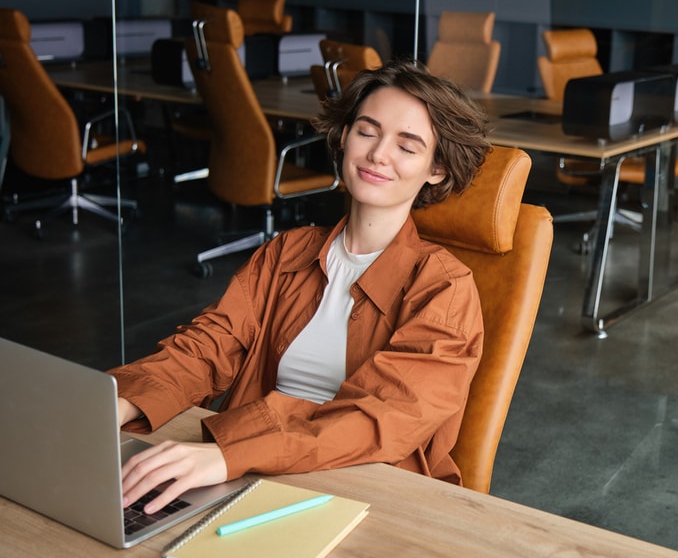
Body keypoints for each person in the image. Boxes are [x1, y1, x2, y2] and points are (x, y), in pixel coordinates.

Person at [110, 59, 491, 515]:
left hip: (368, 488)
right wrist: (120, 400)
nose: (378, 154)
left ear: (437, 170)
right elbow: (209, 346)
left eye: (407, 146)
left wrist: (232, 455)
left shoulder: (444, 289)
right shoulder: (286, 252)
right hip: (248, 470)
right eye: (367, 131)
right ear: (344, 137)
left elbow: (380, 421)